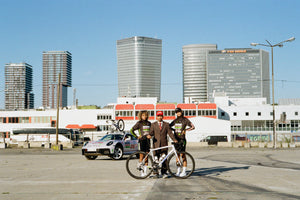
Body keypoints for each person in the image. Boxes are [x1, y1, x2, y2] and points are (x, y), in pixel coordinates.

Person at [150, 111, 178, 178]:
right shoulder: (153, 124)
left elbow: (170, 133)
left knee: (164, 159)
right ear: (156, 117)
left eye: (161, 116)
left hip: (164, 144)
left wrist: (174, 139)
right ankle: (155, 173)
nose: (160, 117)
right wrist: (149, 135)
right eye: (158, 116)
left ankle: (164, 173)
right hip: (156, 144)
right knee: (156, 159)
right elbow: (151, 132)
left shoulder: (166, 124)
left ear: (163, 116)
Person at [169, 107, 195, 177]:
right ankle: (178, 170)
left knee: (183, 155)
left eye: (179, 112)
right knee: (177, 156)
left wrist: (186, 130)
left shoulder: (185, 120)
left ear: (182, 112)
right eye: (177, 112)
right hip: (176, 140)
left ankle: (184, 171)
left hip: (182, 140)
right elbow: (169, 126)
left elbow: (193, 127)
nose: (178, 113)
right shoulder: (175, 120)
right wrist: (173, 130)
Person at [130, 110, 152, 176]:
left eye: (145, 115)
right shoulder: (139, 123)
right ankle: (141, 171)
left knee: (147, 156)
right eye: (143, 115)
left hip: (148, 141)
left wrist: (151, 135)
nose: (144, 117)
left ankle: (145, 172)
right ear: (140, 116)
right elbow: (131, 130)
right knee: (141, 156)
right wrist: (137, 136)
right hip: (142, 141)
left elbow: (151, 132)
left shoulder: (149, 123)